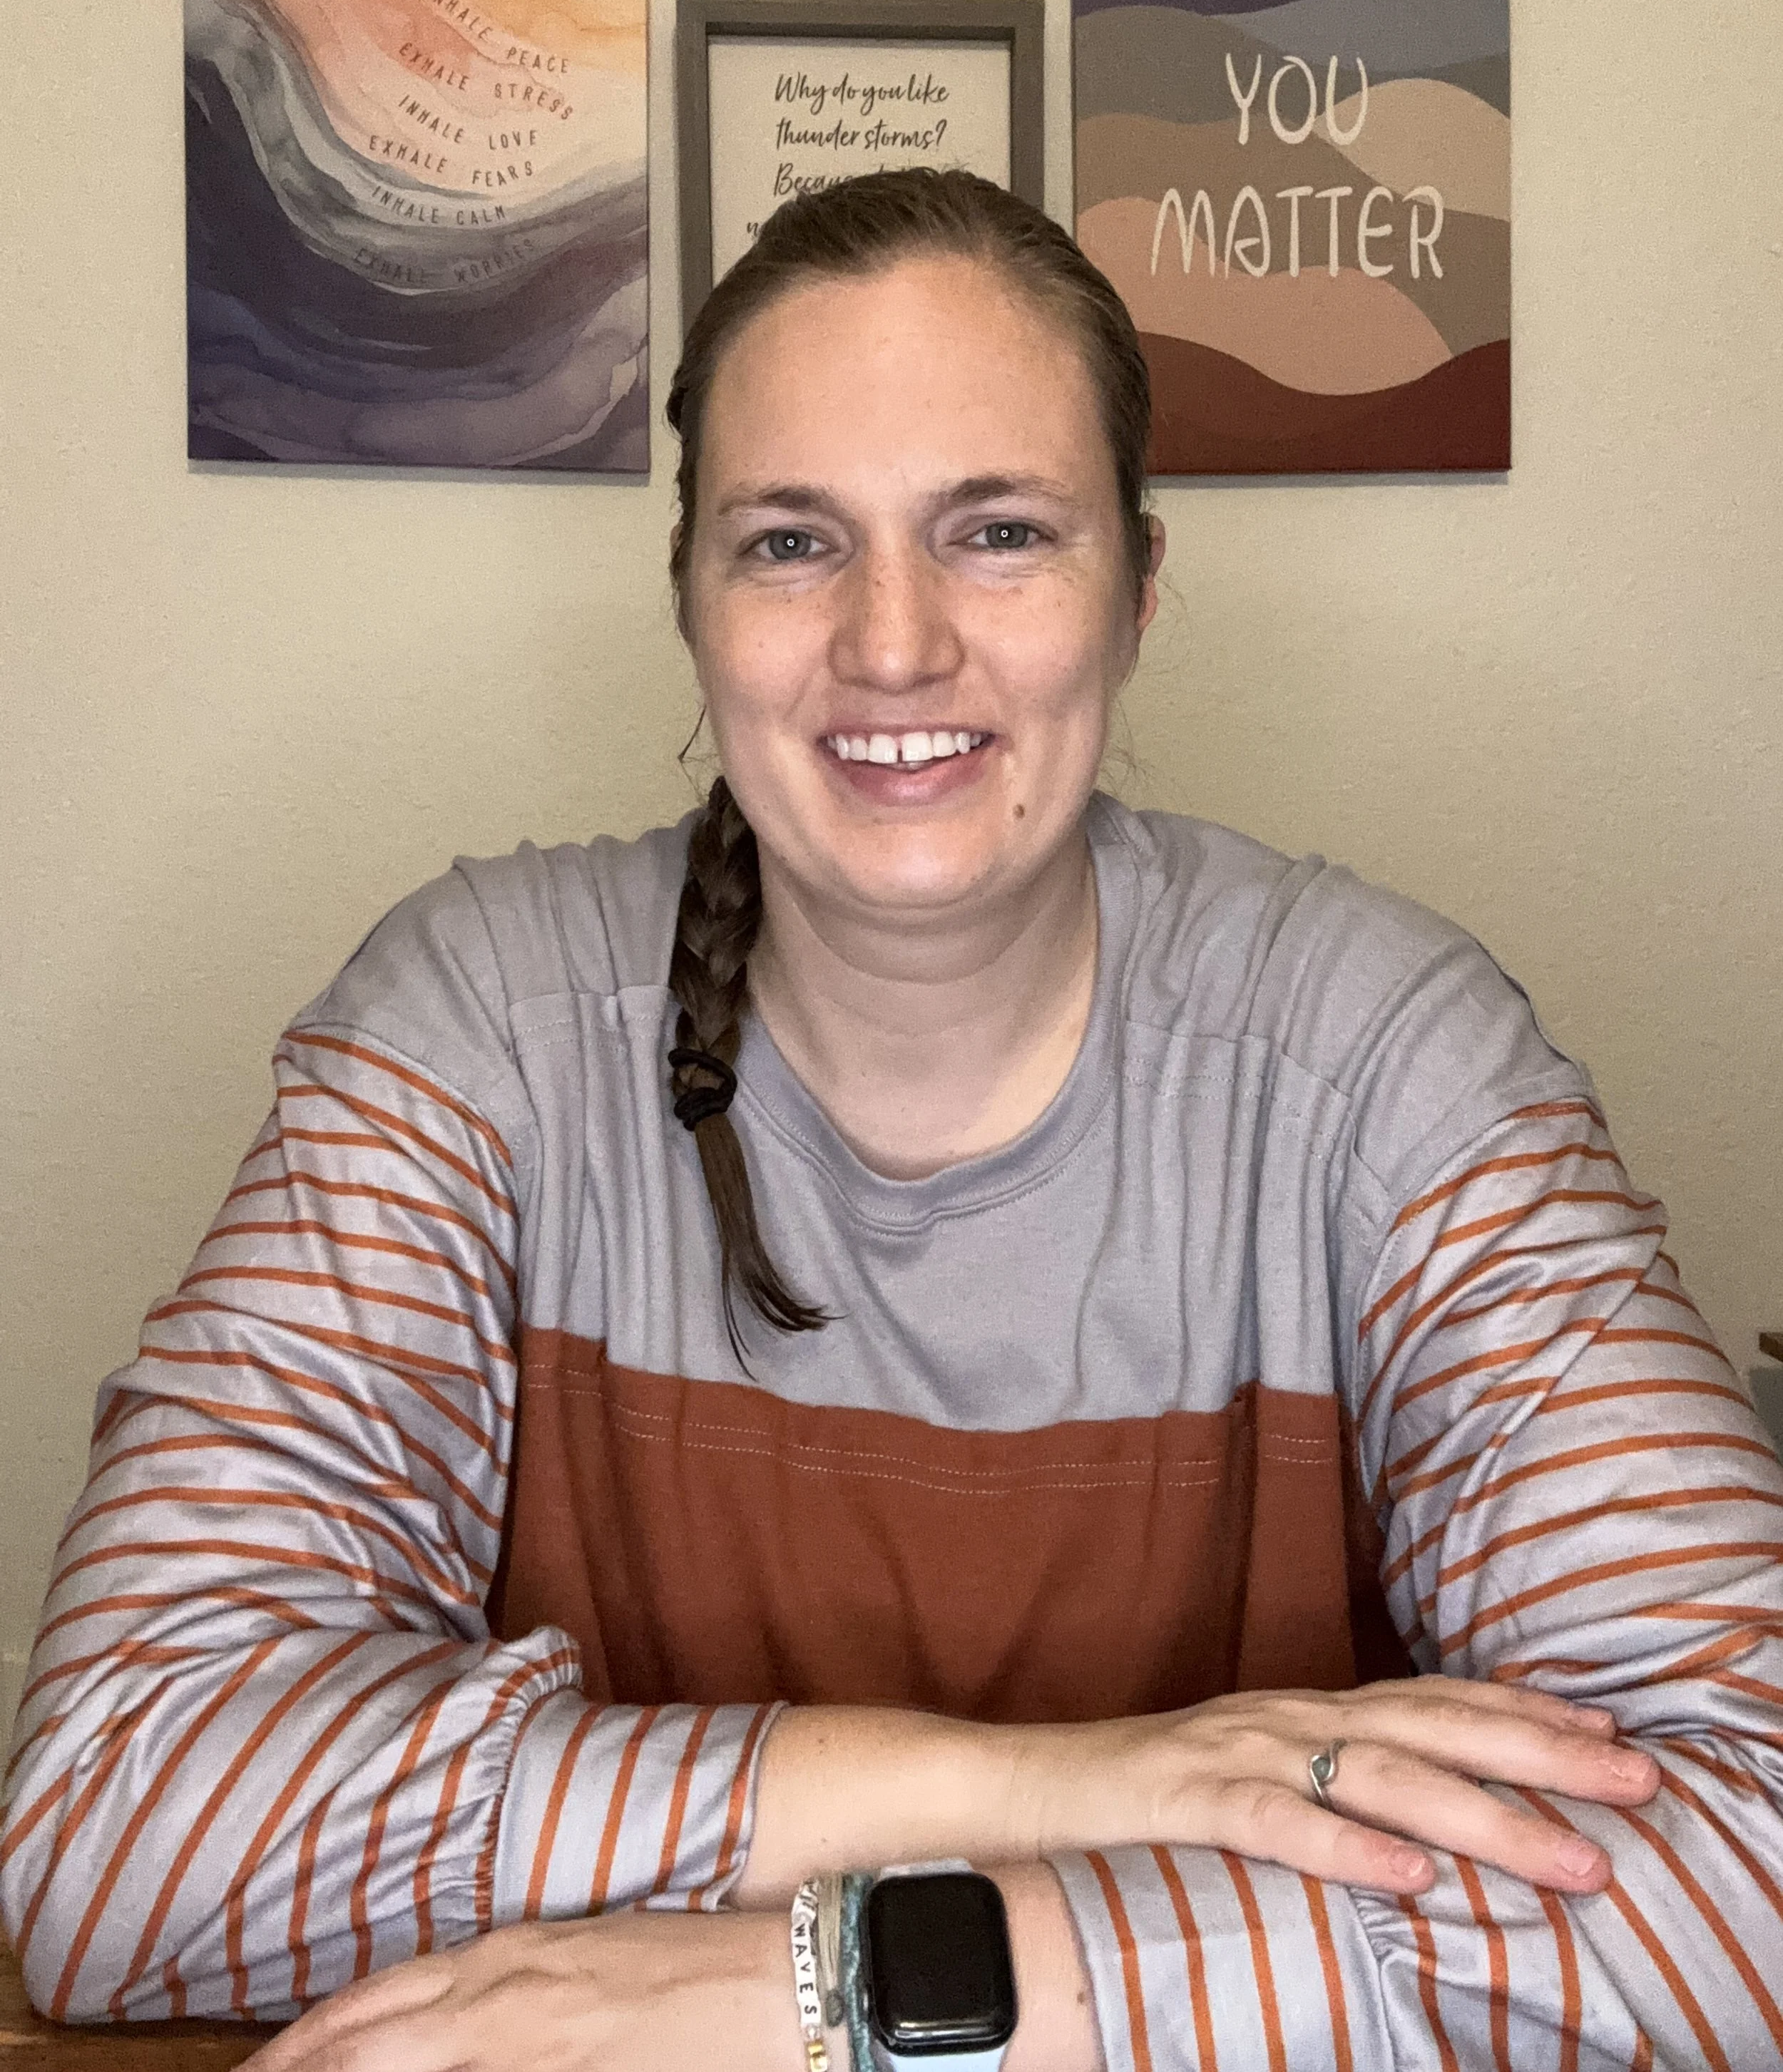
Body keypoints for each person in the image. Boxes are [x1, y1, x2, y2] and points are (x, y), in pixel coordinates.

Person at [4, 169, 1781, 2072]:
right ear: (688, 599)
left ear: (1140, 591)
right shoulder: (469, 1036)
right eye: (790, 543)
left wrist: (840, 1983)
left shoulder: (1394, 1069)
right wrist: (1056, 1785)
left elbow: (1746, 1857)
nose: (894, 641)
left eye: (997, 530)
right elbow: (117, 1819)